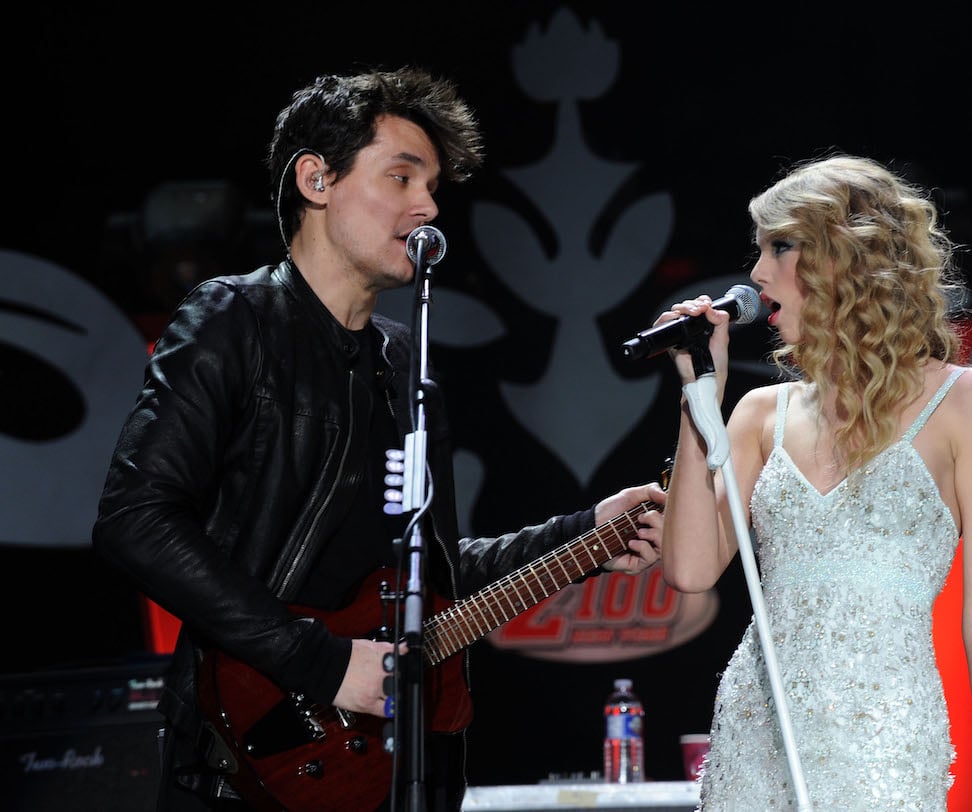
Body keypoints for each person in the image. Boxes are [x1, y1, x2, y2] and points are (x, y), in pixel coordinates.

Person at [92, 66, 666, 812]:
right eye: (401, 177)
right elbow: (135, 517)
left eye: (431, 187)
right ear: (316, 179)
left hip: (388, 767)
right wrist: (321, 662)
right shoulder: (234, 318)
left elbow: (425, 575)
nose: (426, 206)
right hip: (249, 759)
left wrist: (582, 534)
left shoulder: (402, 362)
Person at [654, 155, 972, 810]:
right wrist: (698, 398)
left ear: (842, 259)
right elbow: (689, 569)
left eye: (780, 247)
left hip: (886, 740)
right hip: (756, 734)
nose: (757, 275)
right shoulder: (759, 414)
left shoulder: (970, 403)